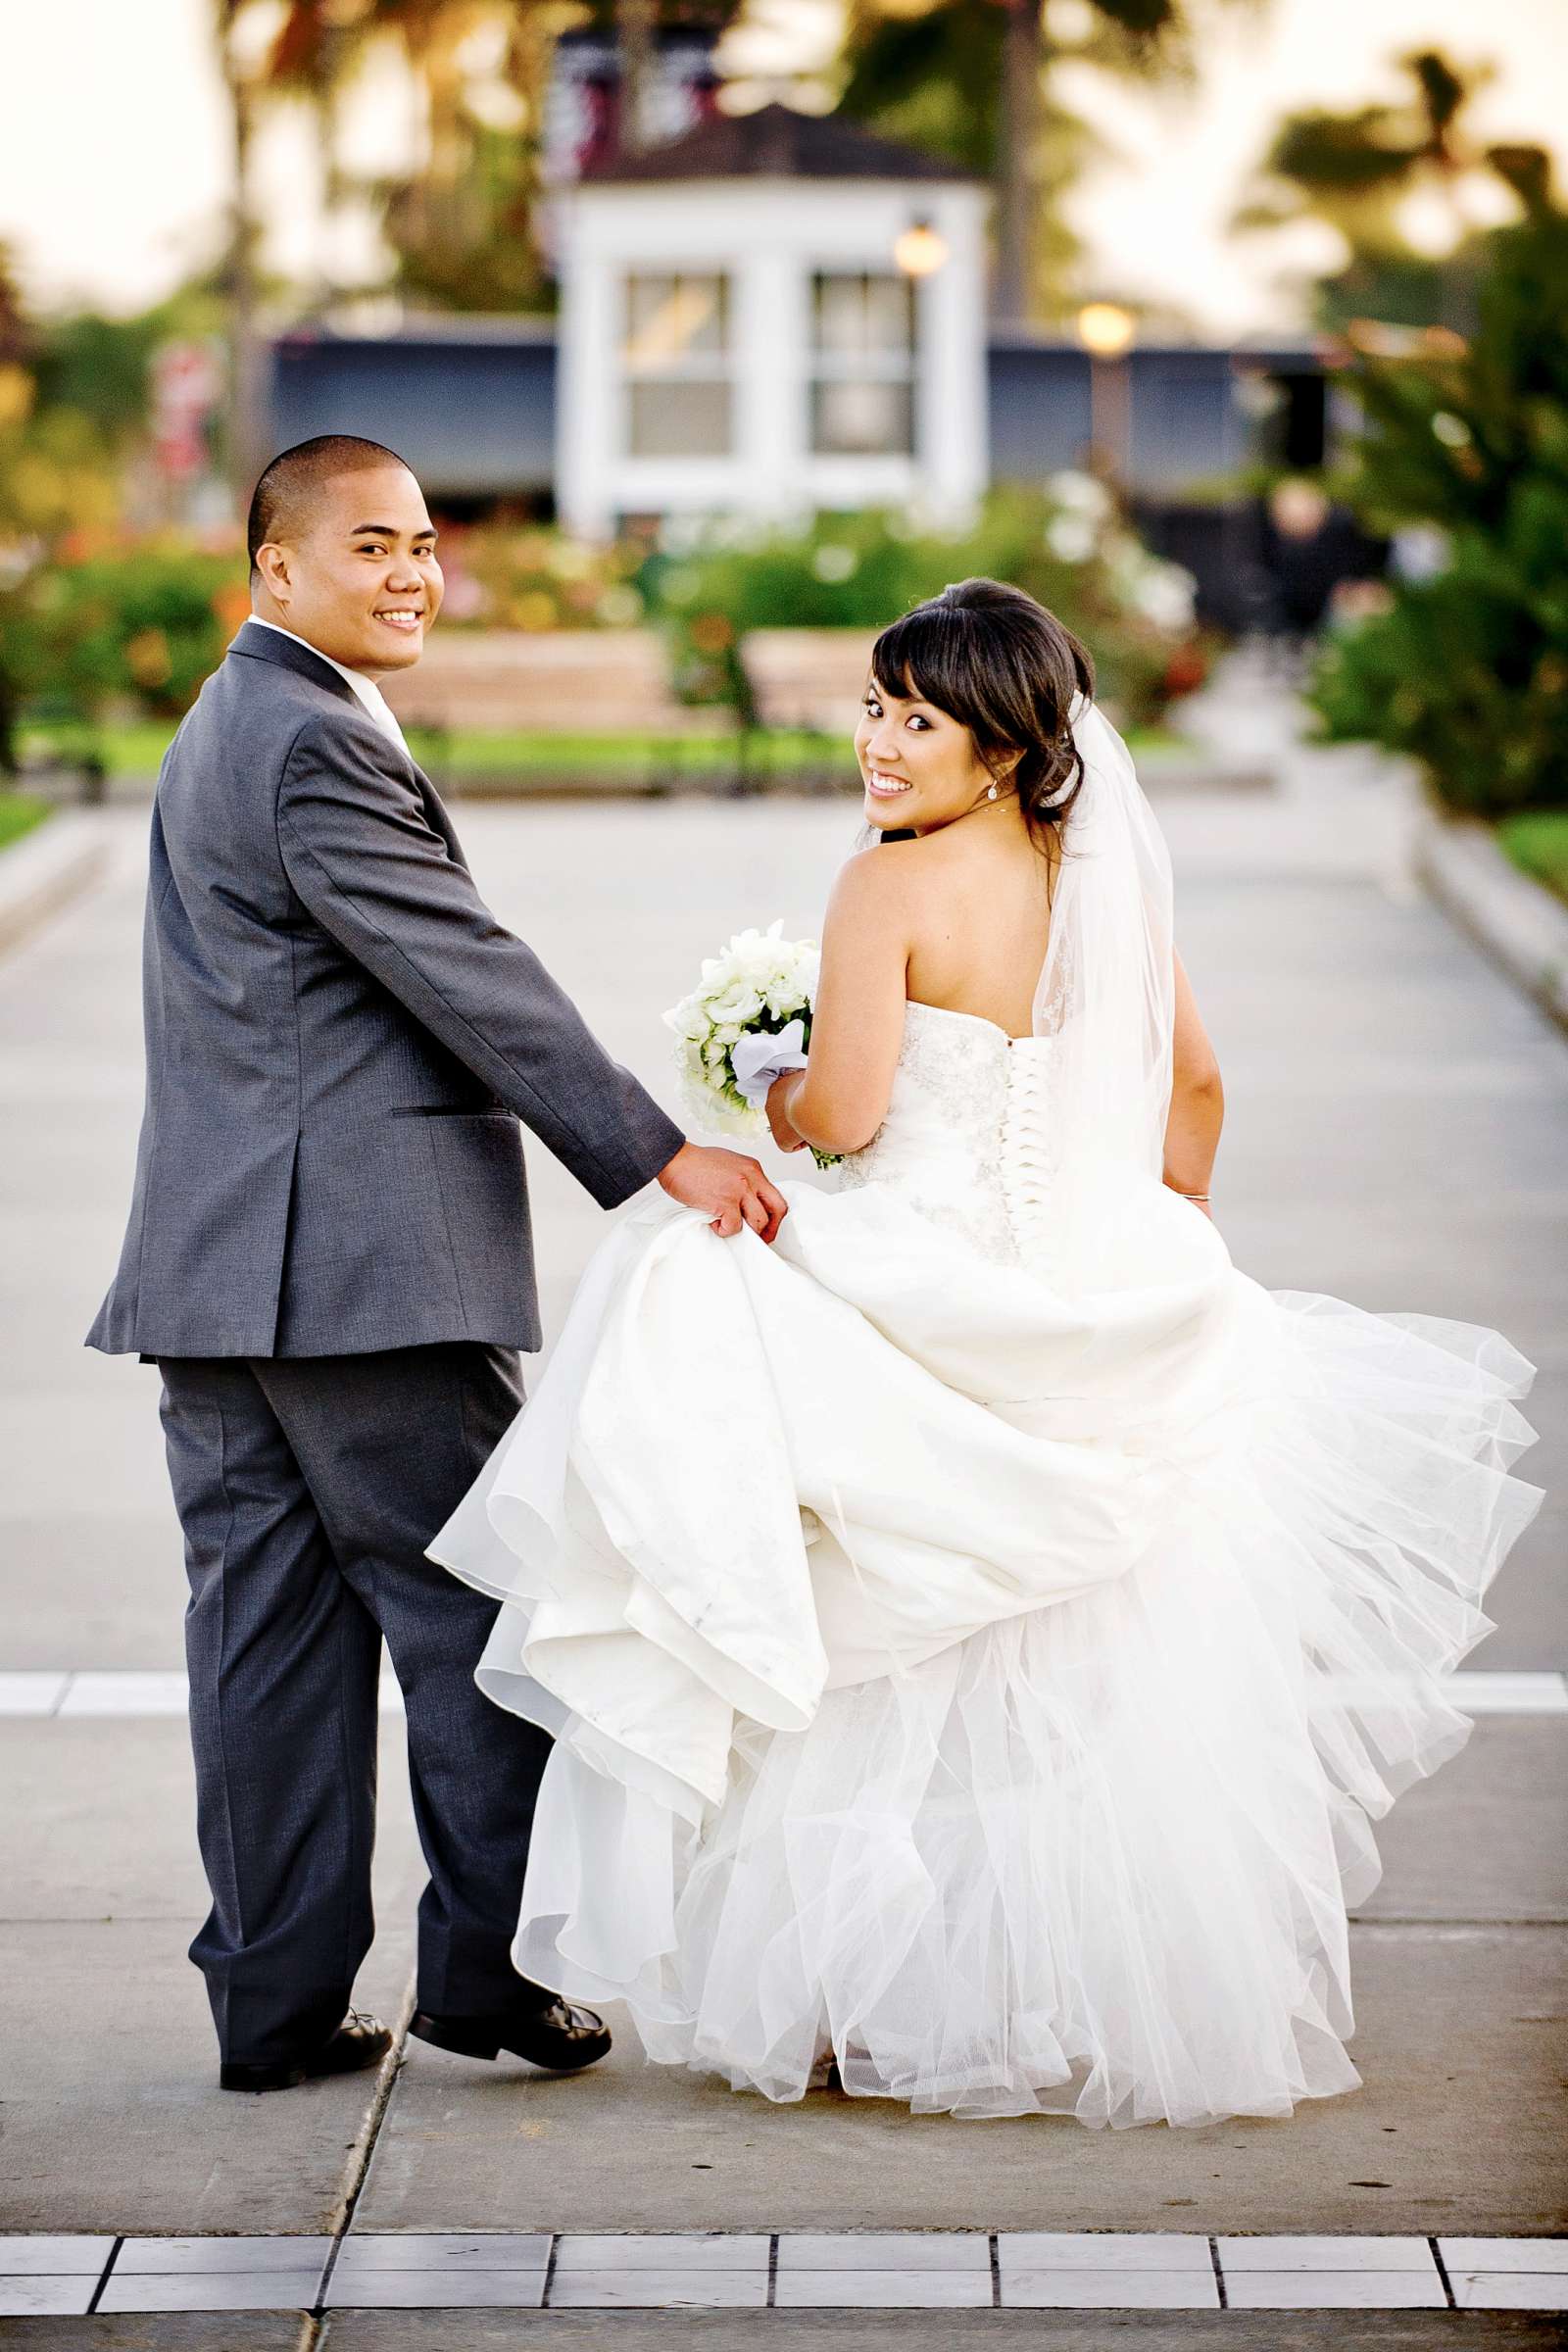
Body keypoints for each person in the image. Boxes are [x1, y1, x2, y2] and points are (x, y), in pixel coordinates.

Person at [429, 576, 1543, 2127]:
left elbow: (857, 1118)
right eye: (875, 709)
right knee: (1055, 1670)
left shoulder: (885, 886)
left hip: (915, 1277)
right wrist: (1156, 1234)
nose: (881, 746)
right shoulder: (1100, 881)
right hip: (1079, 1275)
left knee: (846, 1626)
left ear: (1006, 746)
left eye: (919, 718)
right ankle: (1034, 1991)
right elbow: (1198, 1086)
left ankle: (844, 1999)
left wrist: (772, 1082)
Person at [86, 434, 786, 2094]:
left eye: (424, 544)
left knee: (264, 1640)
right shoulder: (314, 742)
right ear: (276, 570)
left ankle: (270, 2006)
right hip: (361, 1270)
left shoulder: (228, 715)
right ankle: (485, 1974)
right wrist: (650, 1151)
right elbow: (466, 969)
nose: (413, 574)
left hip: (224, 1270)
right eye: (372, 546)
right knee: (490, 1615)